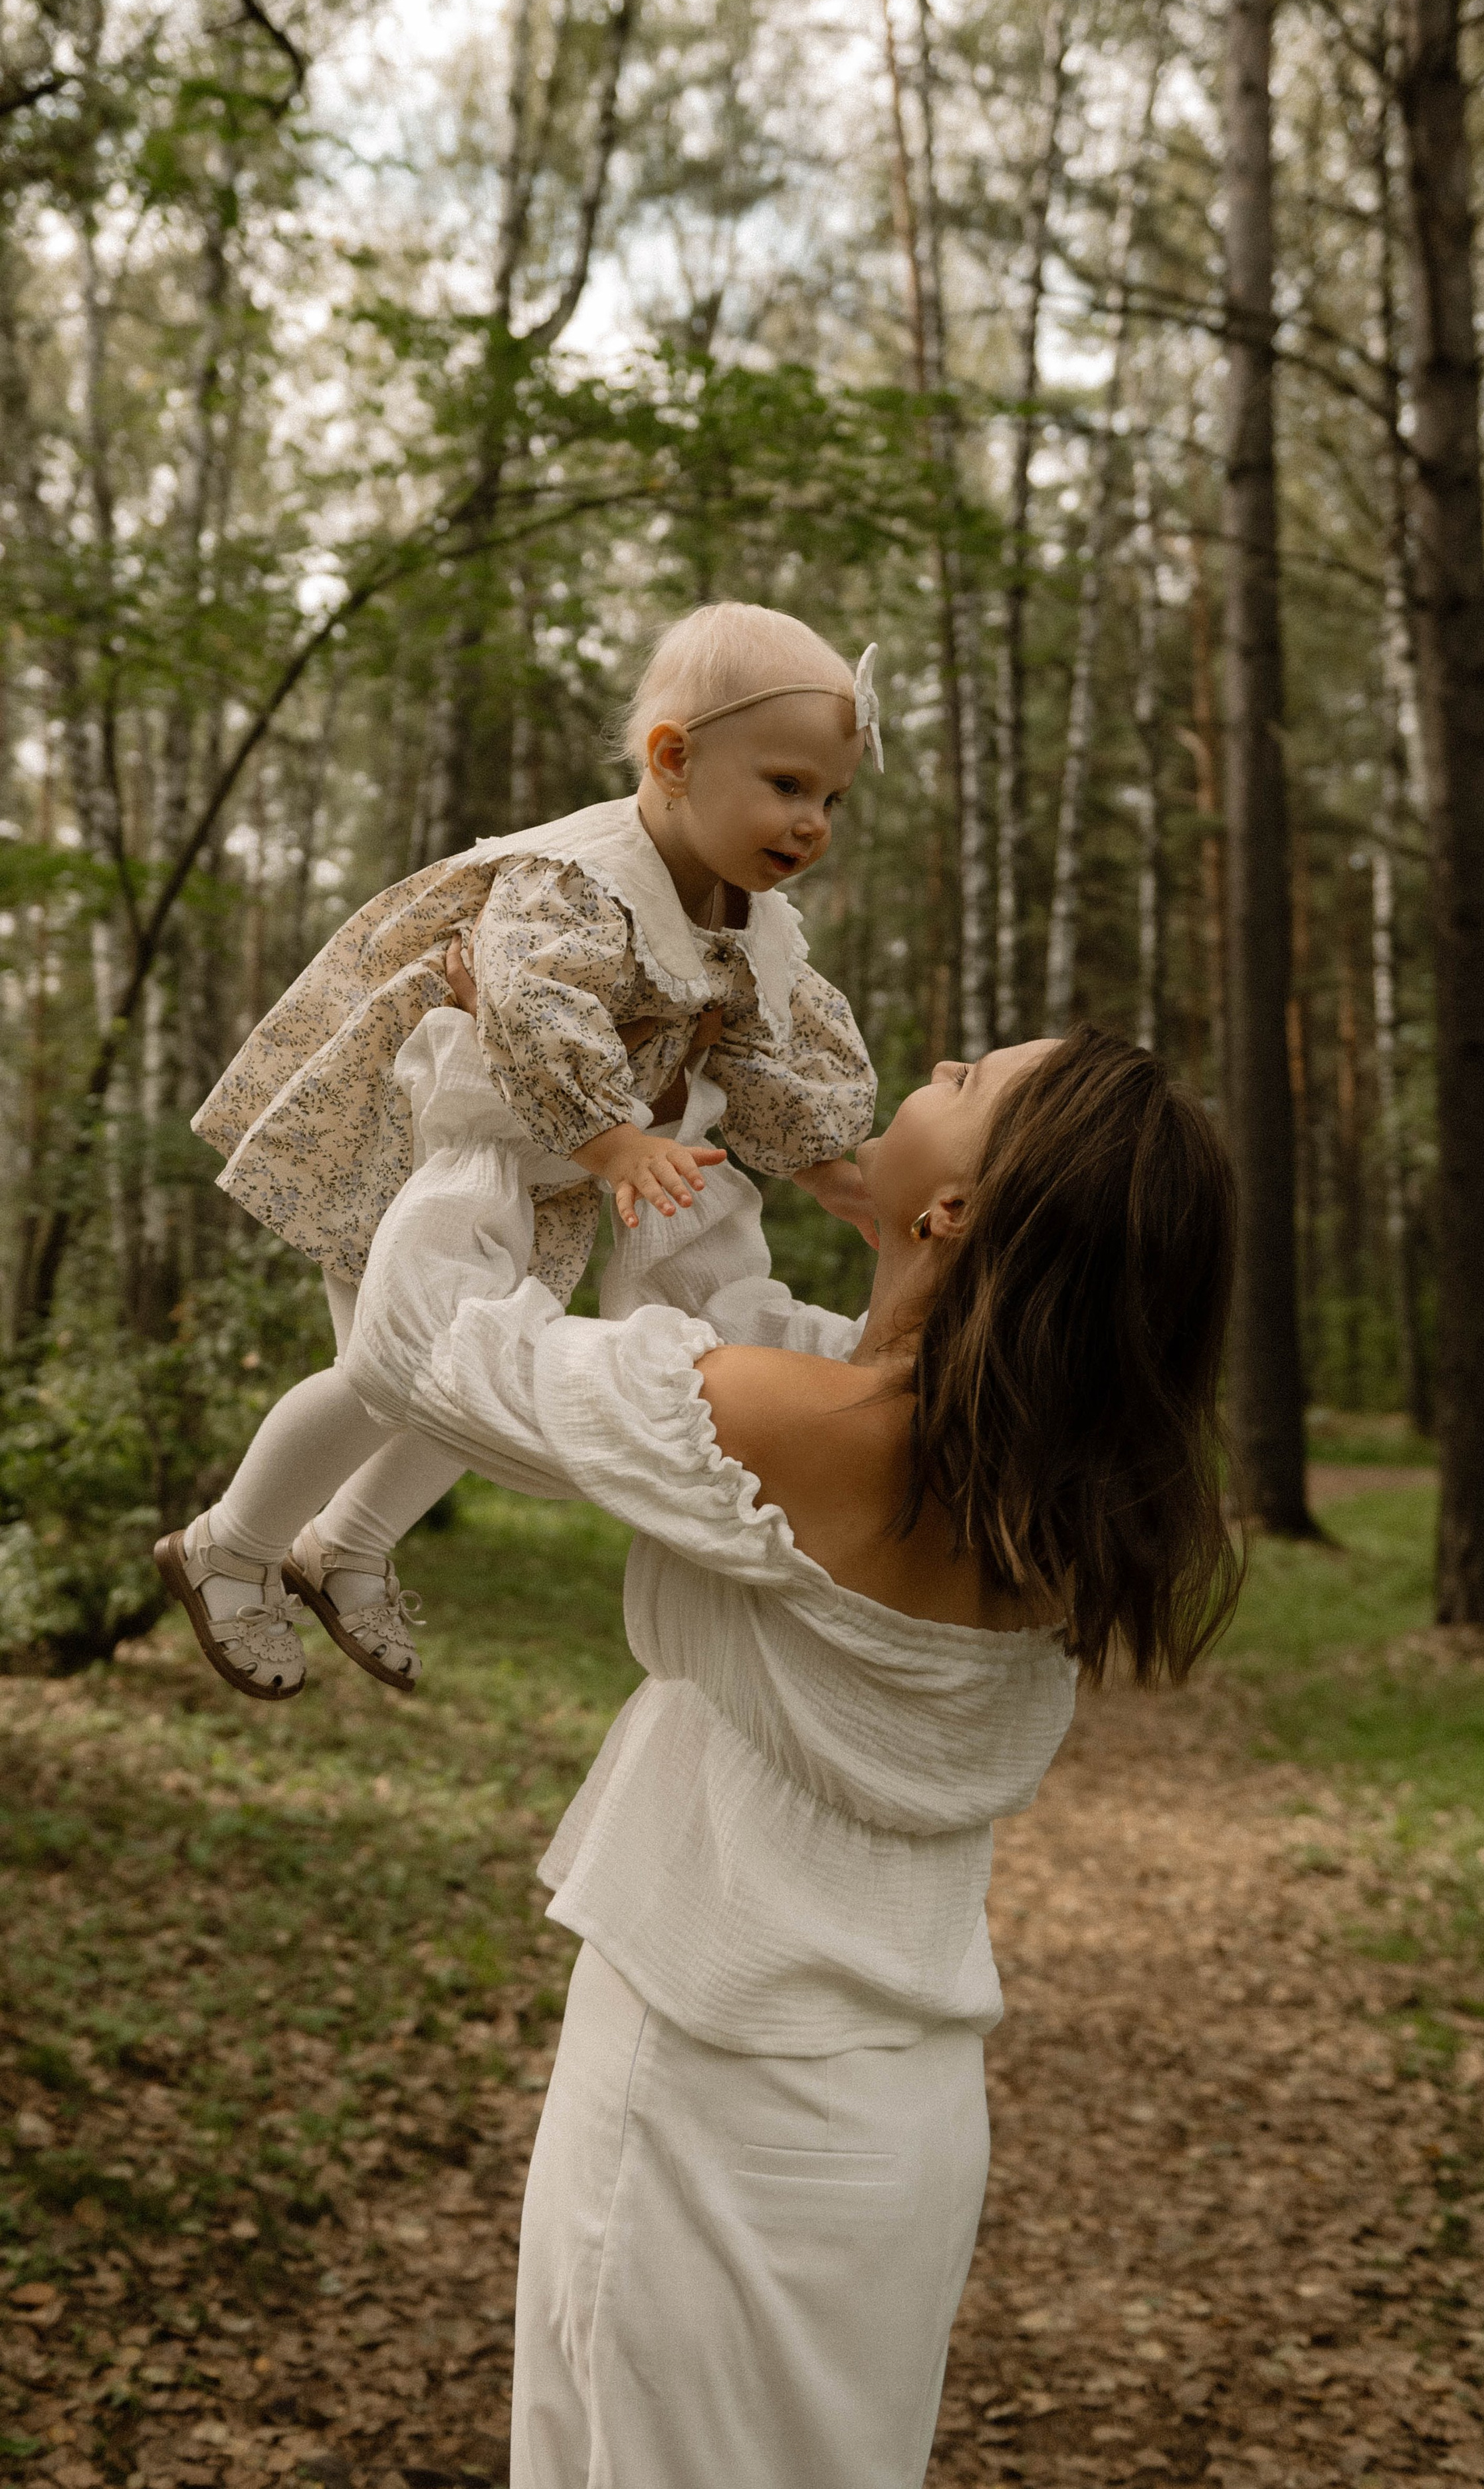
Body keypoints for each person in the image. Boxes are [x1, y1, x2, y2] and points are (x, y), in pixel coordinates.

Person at [340, 964, 1243, 2489]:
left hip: (714, 2095)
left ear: (956, 1213)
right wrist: (669, 1113)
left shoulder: (805, 1429)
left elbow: (426, 1344)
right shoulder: (1021, 1471)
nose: (935, 1061)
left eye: (964, 1086)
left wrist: (493, 1097)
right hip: (891, 2118)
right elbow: (705, 1314)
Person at [158, 603, 884, 1704]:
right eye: (787, 785)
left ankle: (345, 1544)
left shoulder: (750, 928)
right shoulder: (581, 879)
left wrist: (833, 1164)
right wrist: (615, 1136)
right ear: (675, 759)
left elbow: (770, 1044)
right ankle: (227, 1544)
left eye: (832, 798)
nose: (813, 820)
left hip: (546, 1169)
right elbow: (535, 1002)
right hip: (425, 1144)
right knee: (383, 1372)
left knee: (484, 1369)